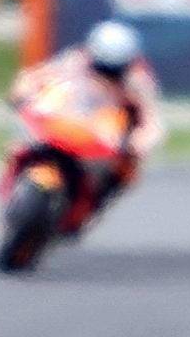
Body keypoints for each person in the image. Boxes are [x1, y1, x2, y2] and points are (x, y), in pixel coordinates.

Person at [12, 18, 166, 209]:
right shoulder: (76, 60)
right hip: (70, 121)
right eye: (101, 67)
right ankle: (17, 181)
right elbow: (39, 77)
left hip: (109, 134)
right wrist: (23, 92)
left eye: (113, 71)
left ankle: (92, 201)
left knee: (125, 171)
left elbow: (151, 120)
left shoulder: (138, 79)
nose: (105, 75)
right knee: (20, 143)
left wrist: (139, 142)